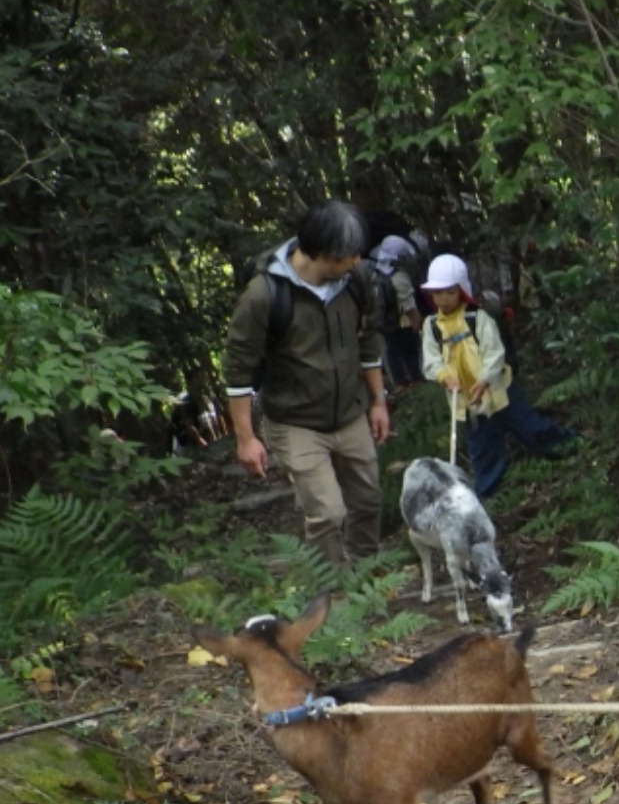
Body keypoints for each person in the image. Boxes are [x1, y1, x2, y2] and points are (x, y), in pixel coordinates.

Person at [225, 199, 390, 571]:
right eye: (350, 256)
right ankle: (329, 600)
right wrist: (246, 437)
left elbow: (368, 340)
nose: (358, 262)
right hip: (295, 420)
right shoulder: (264, 295)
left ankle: (368, 577)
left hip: (350, 412)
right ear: (324, 256)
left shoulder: (356, 281)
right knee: (328, 513)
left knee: (367, 500)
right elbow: (239, 369)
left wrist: (377, 401)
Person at [418, 253, 576, 500]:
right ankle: (488, 497)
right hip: (469, 400)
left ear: (462, 290)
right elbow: (431, 359)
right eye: (437, 293)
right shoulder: (431, 326)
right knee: (483, 448)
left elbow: (494, 352)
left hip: (499, 389)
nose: (443, 299)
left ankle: (570, 449)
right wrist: (443, 376)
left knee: (529, 426)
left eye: (449, 292)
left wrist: (484, 379)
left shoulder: (478, 318)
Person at [369, 234, 424, 389]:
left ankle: (399, 383)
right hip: (402, 323)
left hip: (385, 323)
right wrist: (418, 324)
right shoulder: (399, 276)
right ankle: (414, 381)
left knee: (393, 352)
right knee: (410, 351)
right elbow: (409, 306)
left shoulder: (375, 275)